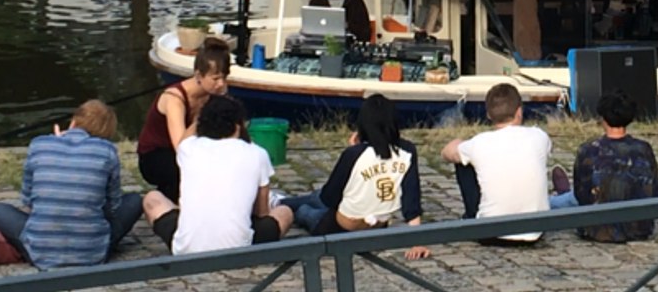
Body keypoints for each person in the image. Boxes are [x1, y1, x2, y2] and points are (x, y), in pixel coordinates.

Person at [0, 100, 143, 270]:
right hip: (92, 253)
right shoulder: (107, 151)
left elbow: (28, 200)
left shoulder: (39, 144)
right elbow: (113, 205)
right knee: (134, 201)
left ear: (74, 121)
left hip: (41, 251)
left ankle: (42, 244)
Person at [280, 95, 430, 260]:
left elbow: (330, 197)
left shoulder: (354, 154)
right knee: (316, 197)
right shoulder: (408, 151)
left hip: (339, 226)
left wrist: (354, 150)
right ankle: (282, 201)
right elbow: (411, 196)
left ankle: (281, 204)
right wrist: (418, 240)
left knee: (305, 211)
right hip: (377, 225)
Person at [142, 95, 293, 255]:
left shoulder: (189, 148)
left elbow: (186, 136)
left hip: (185, 249)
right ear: (238, 125)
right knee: (285, 212)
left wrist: (201, 114)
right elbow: (261, 212)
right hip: (239, 249)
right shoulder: (257, 153)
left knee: (152, 199)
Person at [441, 83, 550, 244]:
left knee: (463, 160)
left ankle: (472, 217)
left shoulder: (480, 142)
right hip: (535, 231)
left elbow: (446, 153)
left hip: (490, 232)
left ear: (489, 115)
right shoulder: (539, 136)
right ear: (519, 111)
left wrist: (459, 142)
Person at [548, 89, 658, 242]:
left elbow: (581, 196)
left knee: (561, 201)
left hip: (595, 229)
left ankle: (558, 195)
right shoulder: (643, 149)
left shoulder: (588, 150)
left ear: (602, 118)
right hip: (638, 229)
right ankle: (562, 193)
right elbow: (656, 191)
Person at [137, 38, 230, 203]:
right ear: (198, 76)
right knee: (189, 168)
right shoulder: (174, 99)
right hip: (157, 154)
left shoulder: (214, 94)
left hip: (191, 148)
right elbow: (182, 147)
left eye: (224, 78)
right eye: (215, 79)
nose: (221, 84)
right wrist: (203, 116)